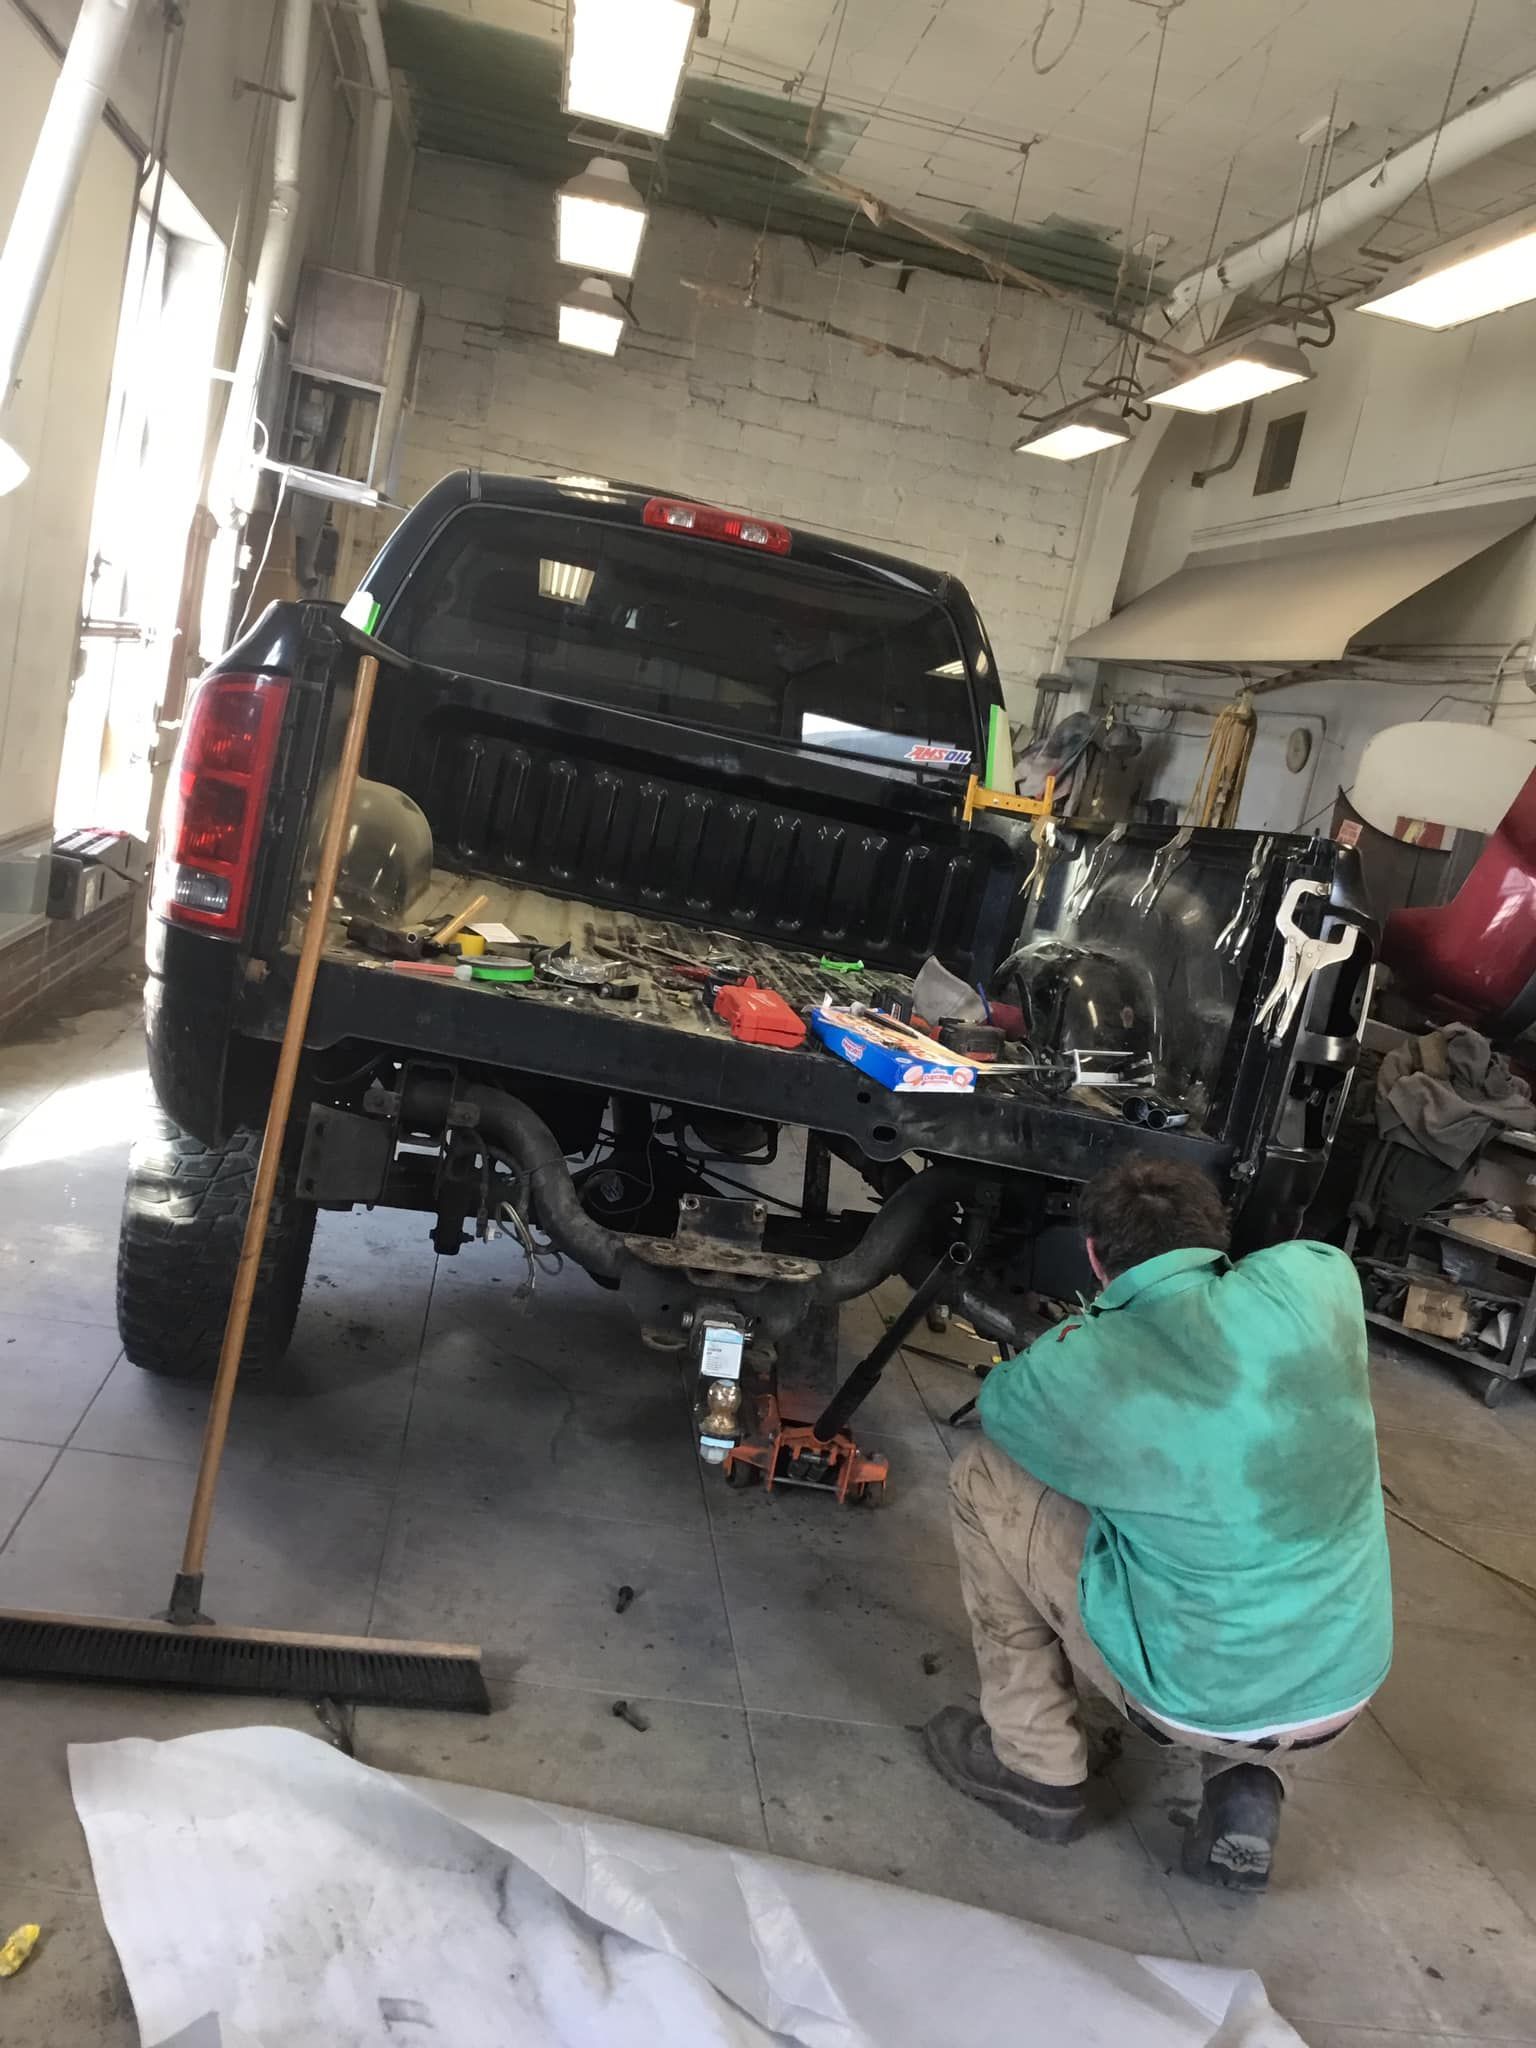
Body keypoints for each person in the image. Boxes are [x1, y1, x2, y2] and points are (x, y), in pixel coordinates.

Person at [924, 1157, 1392, 1892]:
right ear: (1218, 1235)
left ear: (1092, 1257)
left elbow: (1007, 1410)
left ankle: (1034, 1765)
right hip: (1344, 1684)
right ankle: (1244, 1784)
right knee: (1229, 1529)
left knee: (988, 1477)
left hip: (1186, 1697)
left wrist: (1089, 1337)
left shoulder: (1076, 1367)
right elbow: (1277, 1267)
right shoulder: (1321, 1278)